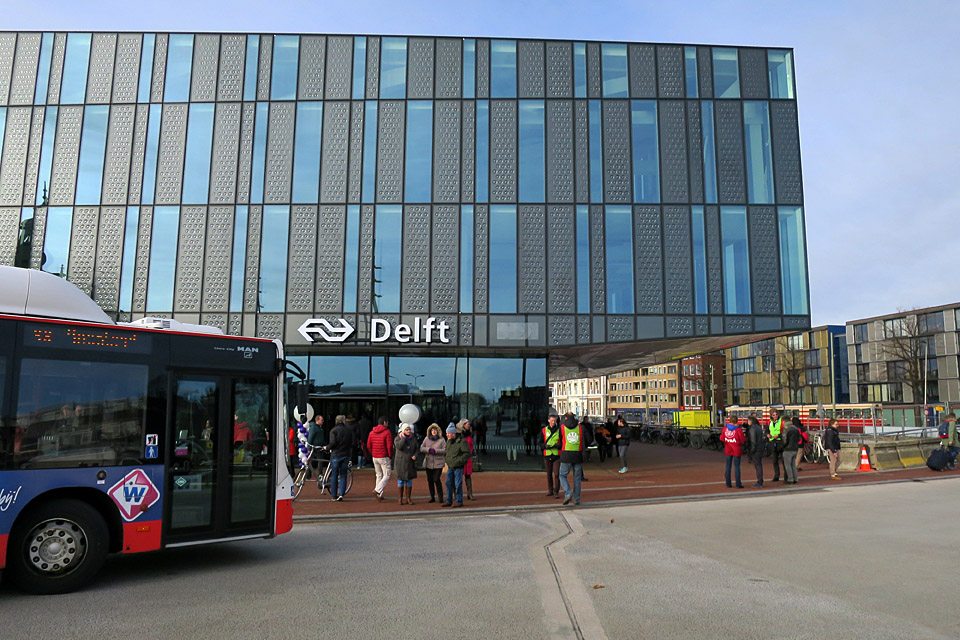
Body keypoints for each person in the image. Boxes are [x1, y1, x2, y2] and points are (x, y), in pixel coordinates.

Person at [558, 412, 592, 506]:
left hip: (566, 454)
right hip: (578, 454)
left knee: (562, 475)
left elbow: (559, 439)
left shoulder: (562, 428)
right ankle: (576, 499)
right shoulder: (581, 427)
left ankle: (568, 493)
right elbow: (589, 439)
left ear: (566, 418)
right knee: (577, 478)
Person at [367, 416, 395, 502]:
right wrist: (390, 455)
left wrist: (372, 453)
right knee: (387, 475)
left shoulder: (372, 432)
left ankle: (379, 494)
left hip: (375, 456)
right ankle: (378, 490)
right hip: (384, 456)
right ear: (385, 423)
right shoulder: (387, 432)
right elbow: (389, 445)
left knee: (379, 475)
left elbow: (368, 445)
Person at [442, 424, 471, 507]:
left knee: (458, 484)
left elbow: (467, 453)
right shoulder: (449, 441)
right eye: (446, 433)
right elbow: (447, 452)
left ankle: (459, 501)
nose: (447, 435)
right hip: (450, 466)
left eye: (448, 433)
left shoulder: (462, 442)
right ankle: (449, 500)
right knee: (448, 483)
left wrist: (459, 461)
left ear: (453, 434)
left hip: (458, 466)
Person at [326, 415, 354, 501]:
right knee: (343, 475)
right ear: (344, 421)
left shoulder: (333, 431)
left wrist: (327, 448)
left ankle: (334, 494)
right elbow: (351, 442)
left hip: (336, 454)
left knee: (334, 474)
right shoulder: (348, 431)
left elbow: (333, 443)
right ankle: (341, 493)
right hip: (345, 454)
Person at [419, 423, 447, 502]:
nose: (434, 431)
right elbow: (421, 448)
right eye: (432, 430)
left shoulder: (442, 440)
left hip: (438, 463)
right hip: (429, 462)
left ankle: (440, 497)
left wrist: (436, 451)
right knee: (430, 480)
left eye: (435, 430)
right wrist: (428, 450)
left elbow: (445, 450)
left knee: (436, 479)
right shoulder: (426, 439)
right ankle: (432, 496)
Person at [393, 423, 419, 505]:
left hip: (410, 462)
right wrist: (403, 438)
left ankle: (408, 498)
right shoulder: (397, 439)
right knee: (400, 481)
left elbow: (417, 449)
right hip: (400, 463)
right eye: (406, 430)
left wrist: (415, 455)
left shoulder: (413, 439)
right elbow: (399, 446)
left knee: (409, 481)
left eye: (409, 430)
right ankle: (400, 498)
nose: (408, 431)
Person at [540, 413, 562, 498]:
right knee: (549, 474)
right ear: (548, 420)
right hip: (547, 454)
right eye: (552, 420)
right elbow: (540, 442)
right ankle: (550, 490)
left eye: (555, 421)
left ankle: (556, 491)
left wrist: (557, 446)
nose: (553, 422)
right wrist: (545, 446)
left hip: (556, 455)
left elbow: (562, 443)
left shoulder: (559, 431)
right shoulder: (544, 430)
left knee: (556, 474)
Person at [722, 414, 745, 488]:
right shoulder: (738, 430)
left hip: (728, 449)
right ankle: (738, 484)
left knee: (728, 466)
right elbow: (742, 440)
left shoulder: (725, 429)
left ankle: (728, 483)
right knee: (737, 467)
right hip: (736, 450)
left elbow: (722, 438)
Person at [767, 408, 785, 482]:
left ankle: (786, 476)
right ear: (771, 415)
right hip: (772, 442)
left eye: (776, 414)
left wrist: (778, 435)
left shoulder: (781, 421)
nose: (775, 416)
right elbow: (767, 430)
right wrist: (767, 434)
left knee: (784, 461)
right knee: (775, 461)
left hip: (780, 442)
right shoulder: (769, 422)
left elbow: (785, 432)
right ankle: (776, 476)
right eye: (773, 415)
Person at [747, 416, 765, 488]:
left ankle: (759, 481)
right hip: (760, 448)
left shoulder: (752, 429)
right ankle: (760, 480)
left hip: (756, 449)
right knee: (759, 465)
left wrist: (751, 451)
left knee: (757, 465)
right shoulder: (759, 428)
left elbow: (753, 441)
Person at [460, 419, 475, 500]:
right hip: (461, 457)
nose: (469, 425)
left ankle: (470, 493)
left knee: (468, 476)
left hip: (468, 458)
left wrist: (471, 453)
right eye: (467, 424)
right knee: (458, 476)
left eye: (469, 424)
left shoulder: (470, 435)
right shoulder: (460, 435)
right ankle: (457, 494)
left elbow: (471, 445)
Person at [782, 417, 801, 485]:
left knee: (788, 465)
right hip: (795, 448)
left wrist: (782, 447)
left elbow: (784, 440)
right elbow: (799, 438)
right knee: (793, 464)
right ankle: (796, 478)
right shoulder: (796, 428)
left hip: (787, 449)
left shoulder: (786, 429)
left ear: (784, 421)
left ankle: (790, 479)